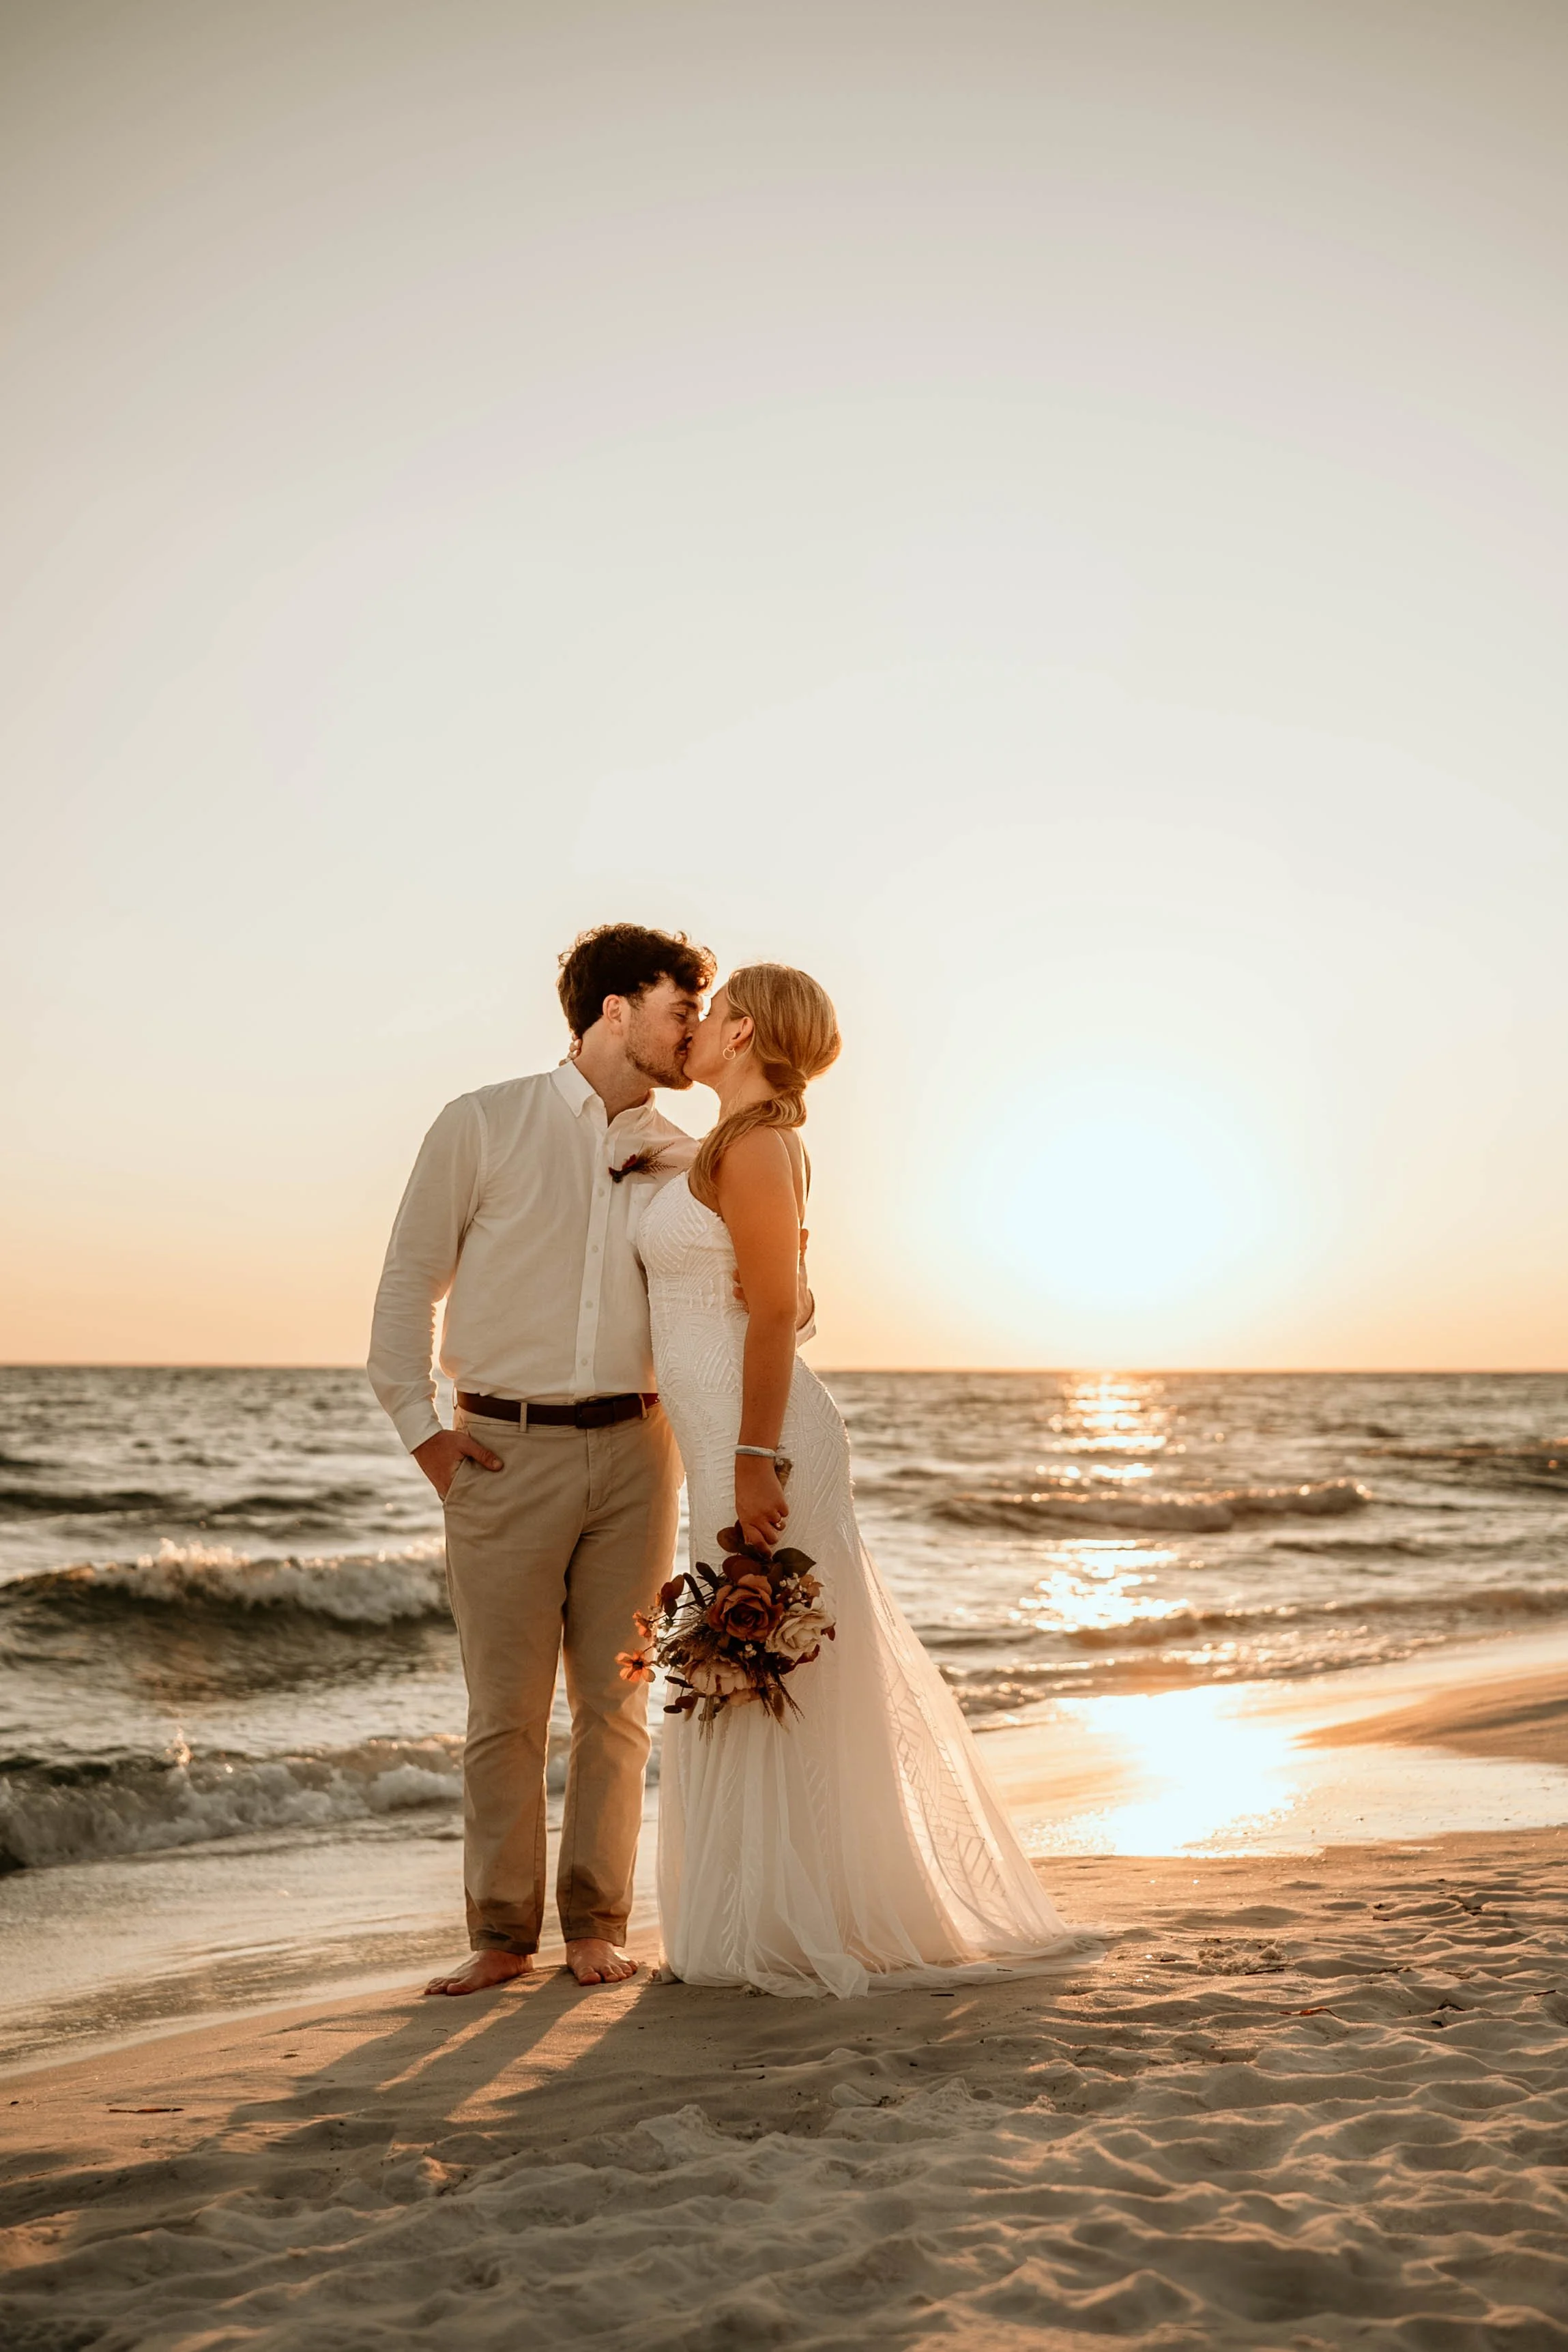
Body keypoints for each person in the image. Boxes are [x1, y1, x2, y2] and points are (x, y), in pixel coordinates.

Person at [639, 965, 1091, 1996]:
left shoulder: (756, 1145)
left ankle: (792, 1917)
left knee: (772, 1660)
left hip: (760, 1438)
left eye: (710, 1014)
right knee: (743, 1657)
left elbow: (767, 1311)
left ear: (743, 1027)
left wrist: (756, 1458)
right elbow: (780, 1296)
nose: (696, 1025)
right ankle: (750, 1910)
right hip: (723, 1435)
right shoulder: (722, 1144)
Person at [367, 923, 715, 1992]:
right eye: (678, 1007)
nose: (692, 1030)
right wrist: (426, 1434)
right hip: (502, 1450)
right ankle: (502, 1937)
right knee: (506, 1709)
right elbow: (405, 1288)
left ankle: (597, 1925)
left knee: (617, 1703)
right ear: (614, 1007)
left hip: (639, 1448)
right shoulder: (483, 1122)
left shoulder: (683, 1151)